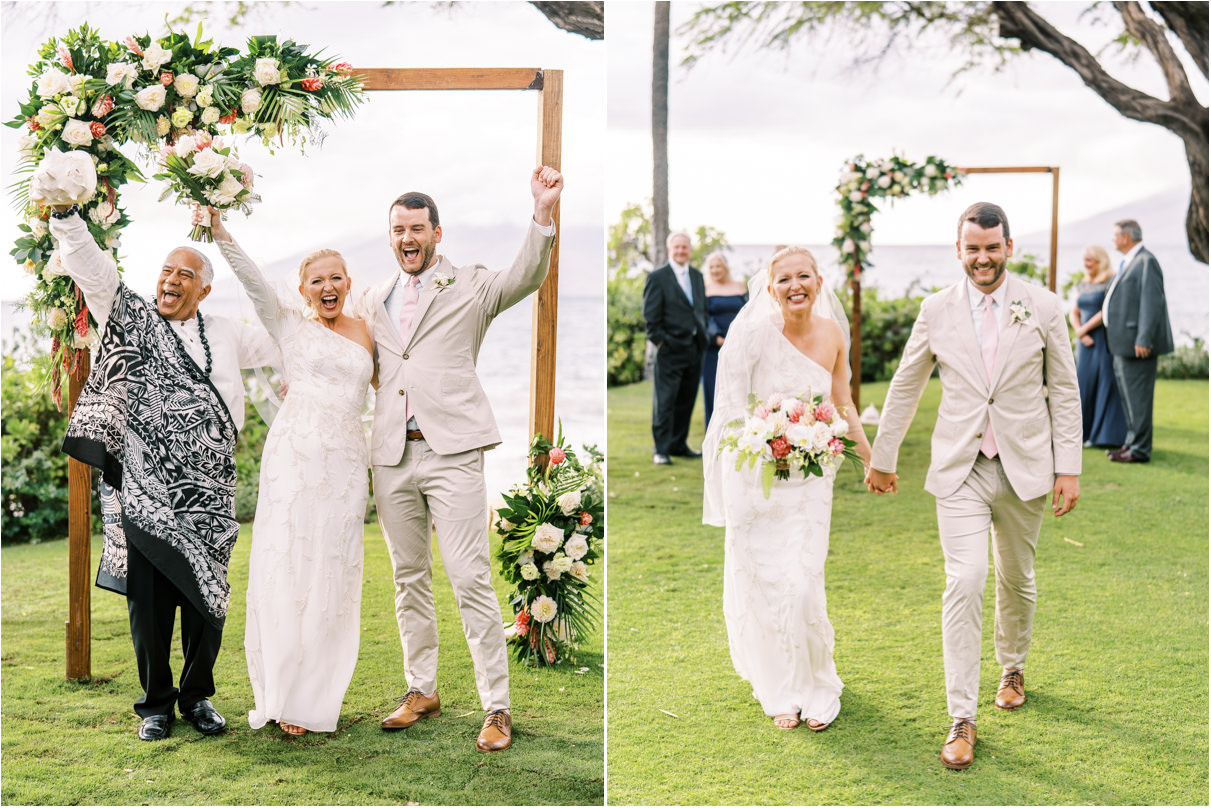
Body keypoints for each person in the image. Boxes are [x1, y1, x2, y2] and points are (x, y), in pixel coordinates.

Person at [50, 204, 278, 742]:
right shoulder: (132, 319)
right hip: (146, 489)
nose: (170, 281)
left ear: (203, 290)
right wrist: (67, 216)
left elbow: (285, 332)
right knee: (147, 600)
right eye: (166, 272)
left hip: (210, 492)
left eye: (185, 275)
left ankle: (198, 698)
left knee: (207, 597)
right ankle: (155, 705)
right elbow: (97, 274)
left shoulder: (225, 333)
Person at [866, 202, 1081, 770]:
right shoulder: (934, 309)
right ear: (958, 250)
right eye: (972, 248)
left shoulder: (1044, 306)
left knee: (1017, 576)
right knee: (965, 579)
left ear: (1009, 246)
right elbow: (907, 383)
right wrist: (883, 457)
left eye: (991, 247)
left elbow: (1063, 388)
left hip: (1026, 466)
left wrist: (1069, 467)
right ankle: (961, 716)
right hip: (960, 466)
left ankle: (1012, 667)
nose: (982, 258)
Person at [357, 166, 564, 753]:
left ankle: (495, 706)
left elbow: (526, 275)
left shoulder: (470, 285)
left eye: (417, 228)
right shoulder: (374, 298)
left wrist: (542, 213)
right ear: (391, 234)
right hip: (392, 456)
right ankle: (420, 689)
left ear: (437, 233)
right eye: (398, 229)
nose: (407, 238)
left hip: (453, 454)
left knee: (469, 577)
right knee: (407, 577)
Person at [201, 207, 375, 736]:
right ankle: (282, 694)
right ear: (302, 290)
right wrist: (221, 234)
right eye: (317, 280)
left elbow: (393, 388)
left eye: (335, 277)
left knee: (334, 574)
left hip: (347, 462)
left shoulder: (368, 331)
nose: (327, 286)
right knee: (289, 570)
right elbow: (253, 281)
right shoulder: (289, 327)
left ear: (349, 284)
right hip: (295, 462)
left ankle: (317, 695)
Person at [703, 247, 872, 732]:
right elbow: (731, 411)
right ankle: (778, 687)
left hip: (812, 480)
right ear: (770, 287)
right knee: (763, 584)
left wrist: (871, 459)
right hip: (755, 478)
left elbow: (843, 403)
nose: (795, 285)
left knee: (801, 583)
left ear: (818, 282)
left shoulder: (834, 333)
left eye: (803, 276)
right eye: (784, 278)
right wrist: (770, 436)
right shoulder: (752, 336)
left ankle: (815, 683)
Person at [1102, 219, 1173, 463]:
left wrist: (1144, 338)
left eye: (1115, 235)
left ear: (1126, 237)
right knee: (1128, 398)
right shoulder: (1129, 261)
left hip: (1137, 345)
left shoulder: (1146, 261)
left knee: (1139, 400)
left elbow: (1151, 303)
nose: (1112, 239)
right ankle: (1131, 445)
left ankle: (1140, 450)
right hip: (1121, 343)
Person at [643, 231, 708, 465]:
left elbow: (700, 309)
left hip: (694, 348)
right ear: (670, 249)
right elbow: (650, 318)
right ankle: (660, 450)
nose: (681, 251)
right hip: (669, 349)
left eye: (685, 247)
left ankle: (678, 445)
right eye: (677, 247)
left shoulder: (698, 276)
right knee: (665, 402)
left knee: (686, 400)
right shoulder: (658, 277)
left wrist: (703, 335)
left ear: (689, 249)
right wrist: (661, 341)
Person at [1069, 245, 1127, 448]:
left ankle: (1104, 435)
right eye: (1085, 260)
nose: (1086, 264)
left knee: (1104, 383)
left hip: (1101, 340)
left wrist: (1084, 329)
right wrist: (1079, 331)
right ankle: (1081, 433)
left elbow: (1106, 311)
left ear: (1100, 261)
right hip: (1084, 343)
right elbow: (1073, 311)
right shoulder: (1084, 283)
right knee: (1083, 384)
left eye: (1090, 260)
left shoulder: (1110, 280)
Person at [701, 251, 748, 428]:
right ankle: (714, 435)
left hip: (740, 348)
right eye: (711, 267)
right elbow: (703, 317)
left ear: (725, 267)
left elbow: (749, 312)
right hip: (714, 350)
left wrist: (740, 339)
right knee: (714, 392)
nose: (715, 270)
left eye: (718, 266)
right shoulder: (705, 289)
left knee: (739, 392)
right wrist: (717, 339)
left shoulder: (740, 286)